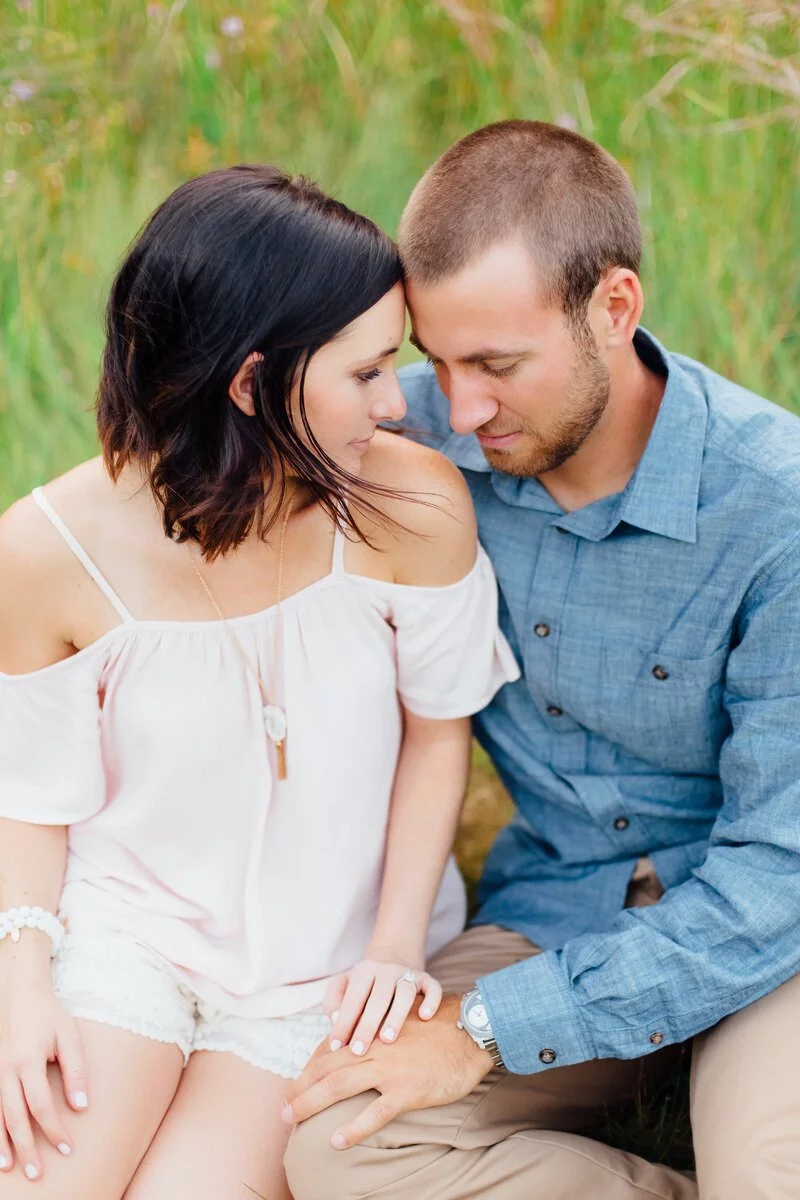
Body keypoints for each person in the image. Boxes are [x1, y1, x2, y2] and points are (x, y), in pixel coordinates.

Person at [283, 120, 800, 1200]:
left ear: (613, 308)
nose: (460, 411)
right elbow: (201, 472)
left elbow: (776, 876)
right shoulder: (415, 448)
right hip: (563, 904)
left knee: (767, 1173)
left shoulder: (774, 510)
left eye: (497, 366)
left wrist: (479, 1031)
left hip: (766, 935)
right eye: (436, 362)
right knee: (340, 1146)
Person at [0, 165, 519, 1199]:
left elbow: (435, 733)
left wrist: (391, 946)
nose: (401, 403)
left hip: (324, 966)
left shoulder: (411, 506)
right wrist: (21, 990)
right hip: (128, 933)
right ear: (250, 384)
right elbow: (30, 798)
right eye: (366, 373)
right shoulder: (44, 552)